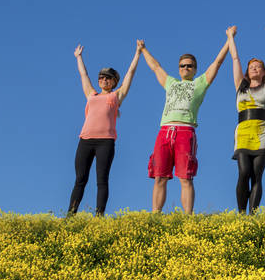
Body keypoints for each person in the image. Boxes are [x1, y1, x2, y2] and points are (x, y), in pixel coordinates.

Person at [140, 34, 230, 214]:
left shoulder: (199, 84)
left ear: (195, 69)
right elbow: (156, 67)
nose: (185, 68)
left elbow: (217, 63)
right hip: (165, 131)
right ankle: (155, 215)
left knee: (185, 177)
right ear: (179, 69)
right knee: (159, 176)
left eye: (189, 66)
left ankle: (188, 217)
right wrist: (143, 49)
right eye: (182, 66)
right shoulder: (171, 83)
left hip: (185, 131)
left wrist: (229, 40)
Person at [68, 41, 142, 216]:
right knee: (80, 179)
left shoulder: (116, 96)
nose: (103, 80)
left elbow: (130, 73)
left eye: (107, 78)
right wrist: (78, 57)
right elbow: (83, 75)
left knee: (102, 180)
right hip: (85, 140)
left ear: (114, 81)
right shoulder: (91, 94)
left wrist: (138, 53)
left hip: (105, 142)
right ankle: (71, 214)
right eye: (101, 77)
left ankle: (99, 215)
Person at [226, 23, 265, 213]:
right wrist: (231, 37)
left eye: (258, 67)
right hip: (244, 132)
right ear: (248, 72)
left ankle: (252, 215)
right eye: (252, 67)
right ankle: (241, 214)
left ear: (263, 72)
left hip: (263, 132)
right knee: (243, 172)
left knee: (257, 175)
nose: (255, 68)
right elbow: (235, 58)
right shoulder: (241, 85)